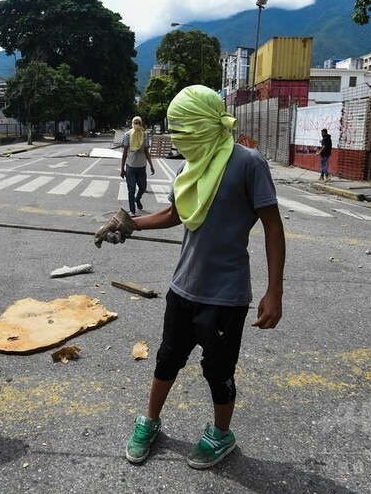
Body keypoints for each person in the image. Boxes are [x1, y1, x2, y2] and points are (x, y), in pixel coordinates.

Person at [94, 85, 285, 470]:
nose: (178, 135)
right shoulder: (190, 165)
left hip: (226, 296)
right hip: (183, 287)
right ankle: (149, 421)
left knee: (218, 372)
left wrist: (274, 291)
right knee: (167, 358)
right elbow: (173, 214)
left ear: (205, 123)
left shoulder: (249, 163)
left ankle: (221, 434)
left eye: (184, 126)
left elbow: (273, 227)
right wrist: (128, 224)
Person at [121, 116, 155, 215]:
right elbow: (124, 153)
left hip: (141, 166)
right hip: (130, 166)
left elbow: (146, 151)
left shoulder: (145, 135)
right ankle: (132, 210)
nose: (137, 124)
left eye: (138, 123)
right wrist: (122, 168)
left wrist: (151, 165)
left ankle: (138, 198)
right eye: (135, 123)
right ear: (132, 124)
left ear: (141, 124)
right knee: (131, 189)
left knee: (143, 187)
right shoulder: (127, 135)